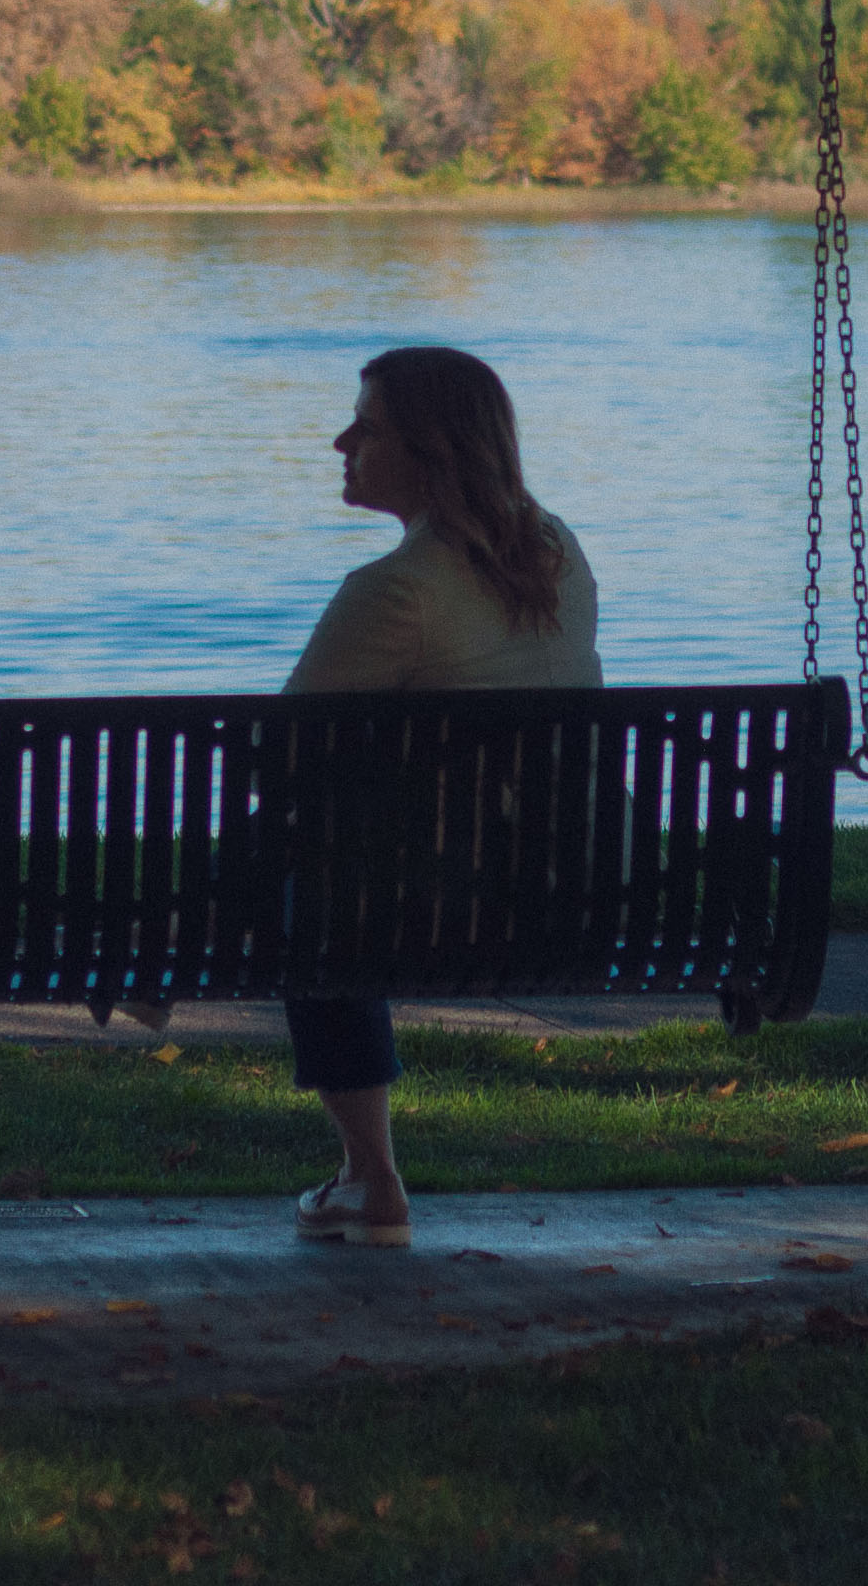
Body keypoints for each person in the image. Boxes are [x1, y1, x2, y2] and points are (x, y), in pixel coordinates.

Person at [279, 345, 601, 1248]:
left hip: (418, 911)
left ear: (431, 449)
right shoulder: (559, 553)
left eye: (366, 425)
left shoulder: (394, 593)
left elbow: (276, 755)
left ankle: (370, 1175)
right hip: (558, 893)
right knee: (328, 873)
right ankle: (364, 1179)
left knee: (314, 895)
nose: (341, 440)